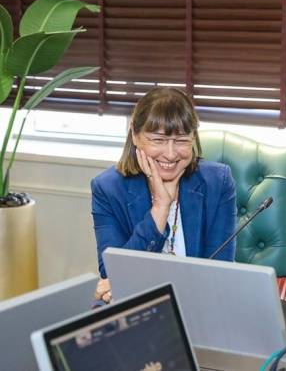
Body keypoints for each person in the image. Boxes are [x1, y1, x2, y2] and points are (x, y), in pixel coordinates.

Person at [91, 87, 237, 304]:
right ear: (135, 135)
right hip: (141, 309)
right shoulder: (108, 188)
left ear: (193, 138)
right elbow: (112, 272)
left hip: (200, 306)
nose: (170, 154)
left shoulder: (218, 182)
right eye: (158, 140)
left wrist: (134, 282)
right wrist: (160, 207)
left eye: (181, 140)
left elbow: (219, 273)